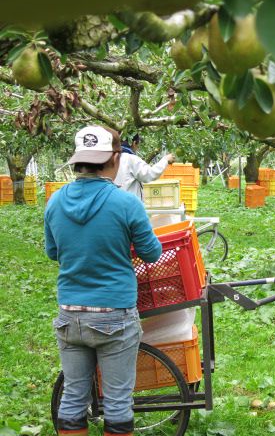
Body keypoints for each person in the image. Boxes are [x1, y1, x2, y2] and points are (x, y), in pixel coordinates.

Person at [45, 126, 162, 436]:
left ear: (77, 161)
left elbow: (53, 251)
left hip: (70, 314)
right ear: (114, 158)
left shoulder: (55, 203)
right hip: (114, 315)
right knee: (118, 403)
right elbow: (152, 253)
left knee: (72, 398)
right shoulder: (126, 204)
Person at [114, 134, 175, 199]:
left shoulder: (112, 158)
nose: (138, 148)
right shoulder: (131, 159)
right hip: (129, 204)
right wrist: (165, 160)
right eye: (138, 145)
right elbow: (150, 174)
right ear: (134, 143)